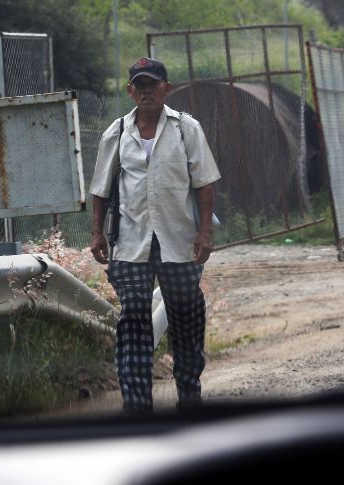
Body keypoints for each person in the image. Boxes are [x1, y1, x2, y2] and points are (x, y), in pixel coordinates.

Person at [89, 57, 221, 413]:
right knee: (133, 319)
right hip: (130, 245)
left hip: (180, 244)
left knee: (185, 319)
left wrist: (204, 232)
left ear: (167, 88)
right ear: (130, 91)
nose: (146, 92)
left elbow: (205, 183)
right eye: (140, 86)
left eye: (153, 85)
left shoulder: (185, 129)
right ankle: (137, 409)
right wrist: (97, 234)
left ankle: (189, 394)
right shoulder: (115, 133)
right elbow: (100, 190)